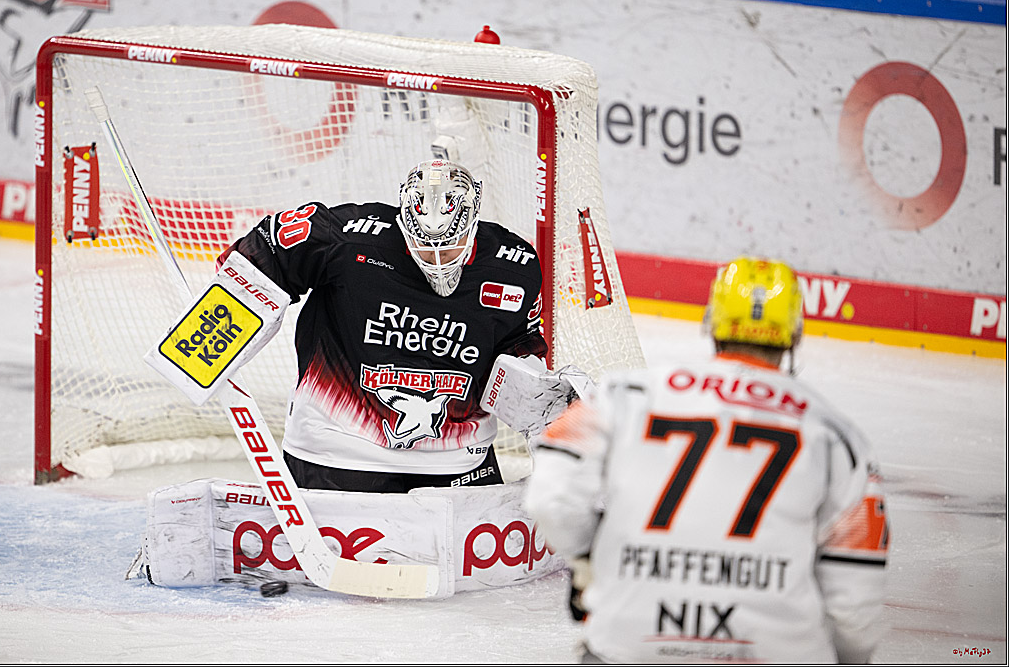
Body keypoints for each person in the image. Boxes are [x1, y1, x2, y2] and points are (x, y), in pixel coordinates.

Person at [524, 256, 890, 664]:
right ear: (795, 334)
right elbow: (855, 586)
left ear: (711, 322)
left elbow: (551, 498)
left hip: (632, 640)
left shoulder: (625, 394)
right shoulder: (837, 435)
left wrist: (588, 559)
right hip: (773, 649)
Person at [217, 159, 548, 493]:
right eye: (423, 245)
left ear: (473, 224)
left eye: (448, 248)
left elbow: (518, 351)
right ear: (403, 222)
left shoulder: (515, 267)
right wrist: (218, 319)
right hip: (338, 451)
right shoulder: (351, 238)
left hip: (460, 461)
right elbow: (265, 251)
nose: (435, 259)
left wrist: (542, 399)